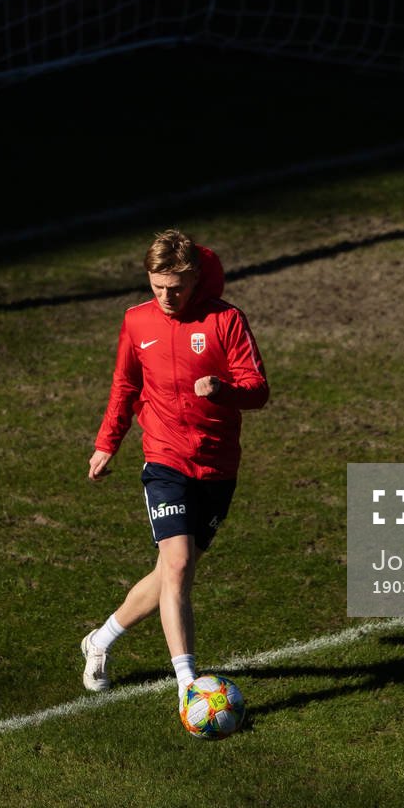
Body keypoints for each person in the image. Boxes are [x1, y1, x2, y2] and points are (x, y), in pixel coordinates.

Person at [80, 229, 270, 710]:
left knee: (172, 572)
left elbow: (259, 389)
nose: (166, 297)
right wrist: (108, 443)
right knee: (180, 564)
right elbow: (125, 386)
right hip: (164, 457)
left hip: (218, 466)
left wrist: (224, 389)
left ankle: (100, 641)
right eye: (157, 286)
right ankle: (188, 684)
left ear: (195, 280)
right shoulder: (136, 321)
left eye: (177, 287)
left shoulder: (226, 320)